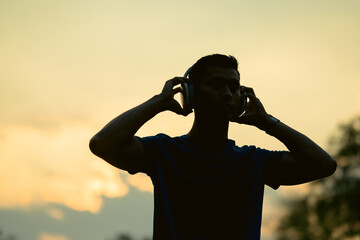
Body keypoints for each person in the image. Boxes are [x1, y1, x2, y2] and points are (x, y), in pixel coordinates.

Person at [89, 54, 337, 239]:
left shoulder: (254, 162)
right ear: (191, 94)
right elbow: (103, 143)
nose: (228, 94)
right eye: (216, 85)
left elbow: (323, 165)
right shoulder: (163, 152)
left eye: (233, 87)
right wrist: (159, 102)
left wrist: (267, 122)